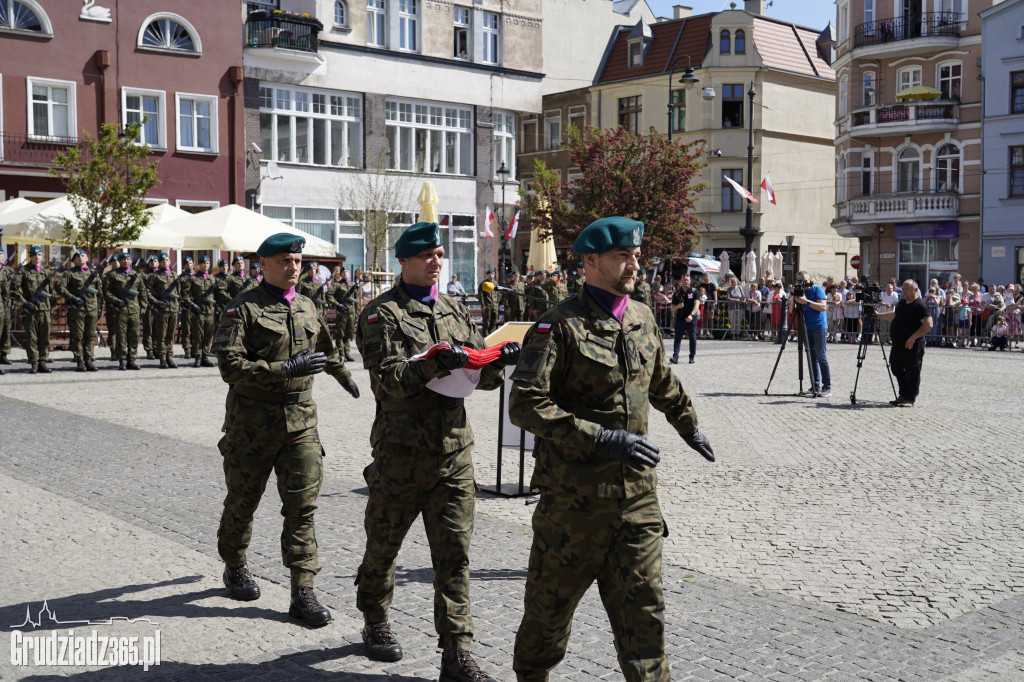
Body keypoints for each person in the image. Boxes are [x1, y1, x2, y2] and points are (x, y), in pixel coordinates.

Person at [508, 216, 715, 682]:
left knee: (645, 614)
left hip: (637, 501)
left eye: (635, 255)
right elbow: (524, 405)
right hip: (573, 504)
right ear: (591, 261)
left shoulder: (641, 317)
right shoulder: (557, 326)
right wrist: (600, 437)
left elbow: (660, 379)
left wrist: (688, 425)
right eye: (623, 256)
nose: (633, 264)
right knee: (548, 615)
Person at [354, 222, 518, 682]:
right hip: (401, 453)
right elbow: (386, 379)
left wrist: (498, 363)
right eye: (426, 254)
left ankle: (457, 652)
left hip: (453, 453)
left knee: (454, 555)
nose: (436, 261)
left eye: (440, 254)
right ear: (402, 261)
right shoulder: (380, 314)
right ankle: (375, 617)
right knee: (383, 545)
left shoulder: (454, 308)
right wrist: (430, 364)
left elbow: (480, 377)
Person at [211, 232, 359, 626]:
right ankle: (235, 563)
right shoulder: (242, 309)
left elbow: (325, 349)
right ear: (263, 265)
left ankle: (303, 591)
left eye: (296, 261)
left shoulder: (309, 304)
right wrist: (281, 370)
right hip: (252, 425)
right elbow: (230, 367)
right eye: (283, 261)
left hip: (301, 425)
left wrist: (344, 376)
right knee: (243, 501)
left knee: (302, 509)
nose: (293, 267)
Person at [874, 279, 931, 407]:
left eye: (906, 289)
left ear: (915, 290)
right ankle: (903, 395)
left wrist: (913, 337)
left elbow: (928, 324)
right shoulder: (902, 303)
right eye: (903, 288)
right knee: (895, 367)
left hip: (913, 345)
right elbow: (895, 315)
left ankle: (910, 399)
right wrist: (878, 315)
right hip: (898, 344)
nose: (903, 291)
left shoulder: (919, 305)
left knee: (912, 371)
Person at [56, 248, 101, 372]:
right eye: (77, 256)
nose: (80, 258)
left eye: (83, 255)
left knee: (90, 335)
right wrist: (73, 297)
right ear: (74, 260)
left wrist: (100, 307)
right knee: (78, 335)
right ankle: (79, 360)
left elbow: (99, 291)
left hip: (92, 307)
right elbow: (59, 287)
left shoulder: (93, 273)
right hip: (77, 309)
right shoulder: (69, 273)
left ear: (87, 258)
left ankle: (89, 359)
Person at [14, 246, 55, 373]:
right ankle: (33, 362)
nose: (37, 257)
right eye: (34, 255)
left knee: (44, 337)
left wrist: (51, 307)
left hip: (45, 309)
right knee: (31, 337)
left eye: (39, 254)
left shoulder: (46, 271)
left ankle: (43, 361)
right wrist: (25, 303)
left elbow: (50, 291)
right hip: (31, 310)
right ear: (30, 257)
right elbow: (14, 289)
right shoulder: (24, 271)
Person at [791, 270, 830, 397]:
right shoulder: (800, 293)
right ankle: (815, 385)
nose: (805, 284)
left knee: (820, 356)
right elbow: (792, 311)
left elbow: (823, 307)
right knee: (811, 358)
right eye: (801, 282)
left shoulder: (817, 289)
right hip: (806, 327)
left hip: (819, 327)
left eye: (806, 281)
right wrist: (793, 298)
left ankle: (826, 387)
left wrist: (806, 301)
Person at [103, 252, 142, 371]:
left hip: (134, 310)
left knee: (134, 335)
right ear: (119, 261)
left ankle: (132, 360)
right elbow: (106, 292)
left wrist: (143, 308)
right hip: (120, 310)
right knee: (121, 336)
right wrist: (116, 301)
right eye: (123, 259)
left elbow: (143, 292)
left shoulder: (136, 275)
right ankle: (122, 360)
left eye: (128, 259)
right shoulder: (113, 275)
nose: (126, 261)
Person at [146, 253, 183, 369]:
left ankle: (170, 357)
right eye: (163, 260)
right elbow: (147, 292)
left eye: (167, 260)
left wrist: (178, 305)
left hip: (173, 309)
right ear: (160, 263)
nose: (165, 262)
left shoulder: (175, 276)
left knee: (170, 335)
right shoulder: (155, 276)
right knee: (161, 335)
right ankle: (162, 358)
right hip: (162, 310)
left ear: (170, 262)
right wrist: (156, 302)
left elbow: (179, 292)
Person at [188, 255, 217, 367]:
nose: (206, 265)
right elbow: (185, 295)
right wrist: (193, 306)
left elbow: (217, 296)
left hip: (210, 311)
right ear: (199, 265)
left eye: (208, 263)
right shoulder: (193, 278)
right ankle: (197, 357)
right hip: (199, 311)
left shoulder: (212, 279)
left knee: (208, 335)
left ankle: (205, 356)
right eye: (204, 263)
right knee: (198, 335)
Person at [326, 266, 358, 362]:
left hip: (351, 313)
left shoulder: (353, 285)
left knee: (348, 334)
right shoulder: (338, 285)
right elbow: (328, 294)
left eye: (347, 272)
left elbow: (355, 300)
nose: (345, 273)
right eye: (343, 272)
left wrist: (356, 312)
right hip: (342, 313)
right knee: (341, 334)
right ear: (341, 274)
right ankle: (341, 354)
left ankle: (347, 352)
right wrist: (338, 304)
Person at [670, 273, 700, 364]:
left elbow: (697, 305)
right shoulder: (677, 293)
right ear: (681, 281)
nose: (686, 281)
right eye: (684, 280)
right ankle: (675, 357)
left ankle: (691, 357)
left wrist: (691, 315)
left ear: (690, 281)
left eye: (687, 280)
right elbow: (672, 307)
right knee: (677, 338)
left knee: (692, 338)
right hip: (680, 319)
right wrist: (678, 306)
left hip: (691, 319)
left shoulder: (694, 291)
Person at [478, 267, 499, 335]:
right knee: (486, 323)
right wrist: (483, 305)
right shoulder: (483, 284)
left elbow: (498, 294)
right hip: (487, 306)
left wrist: (497, 303)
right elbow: (480, 296)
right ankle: (486, 337)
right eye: (490, 274)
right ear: (487, 275)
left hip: (494, 306)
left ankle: (491, 334)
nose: (491, 276)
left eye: (492, 274)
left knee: (494, 321)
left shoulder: (495, 283)